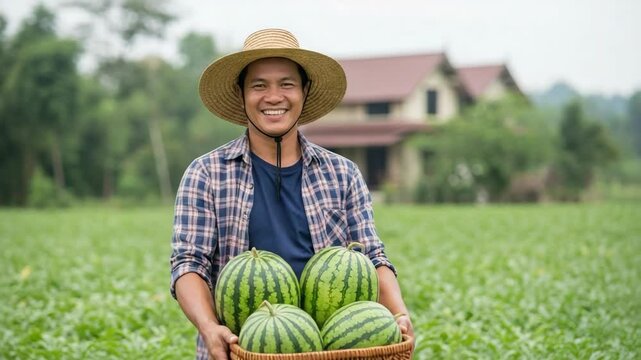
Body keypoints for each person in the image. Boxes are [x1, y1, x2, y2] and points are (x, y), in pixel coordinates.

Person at [170, 28, 414, 360]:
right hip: (239, 350)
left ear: (304, 91)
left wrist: (398, 313)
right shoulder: (206, 173)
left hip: (329, 350)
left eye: (286, 84)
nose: (274, 97)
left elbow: (372, 256)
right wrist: (209, 327)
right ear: (241, 93)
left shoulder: (342, 173)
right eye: (259, 85)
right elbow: (188, 265)